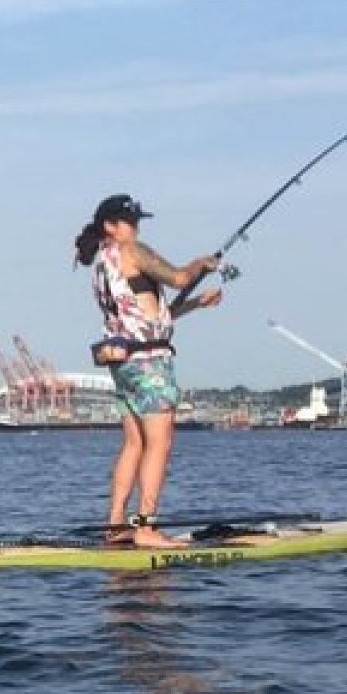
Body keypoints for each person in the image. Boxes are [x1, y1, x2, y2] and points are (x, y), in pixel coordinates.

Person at [74, 194, 223, 549]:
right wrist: (202, 264)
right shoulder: (133, 250)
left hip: (122, 363)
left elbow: (149, 314)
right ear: (110, 225)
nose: (135, 227)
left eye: (137, 221)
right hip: (150, 364)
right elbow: (178, 276)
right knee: (160, 444)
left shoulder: (101, 265)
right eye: (129, 220)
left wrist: (196, 304)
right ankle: (146, 526)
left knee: (134, 443)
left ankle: (115, 524)